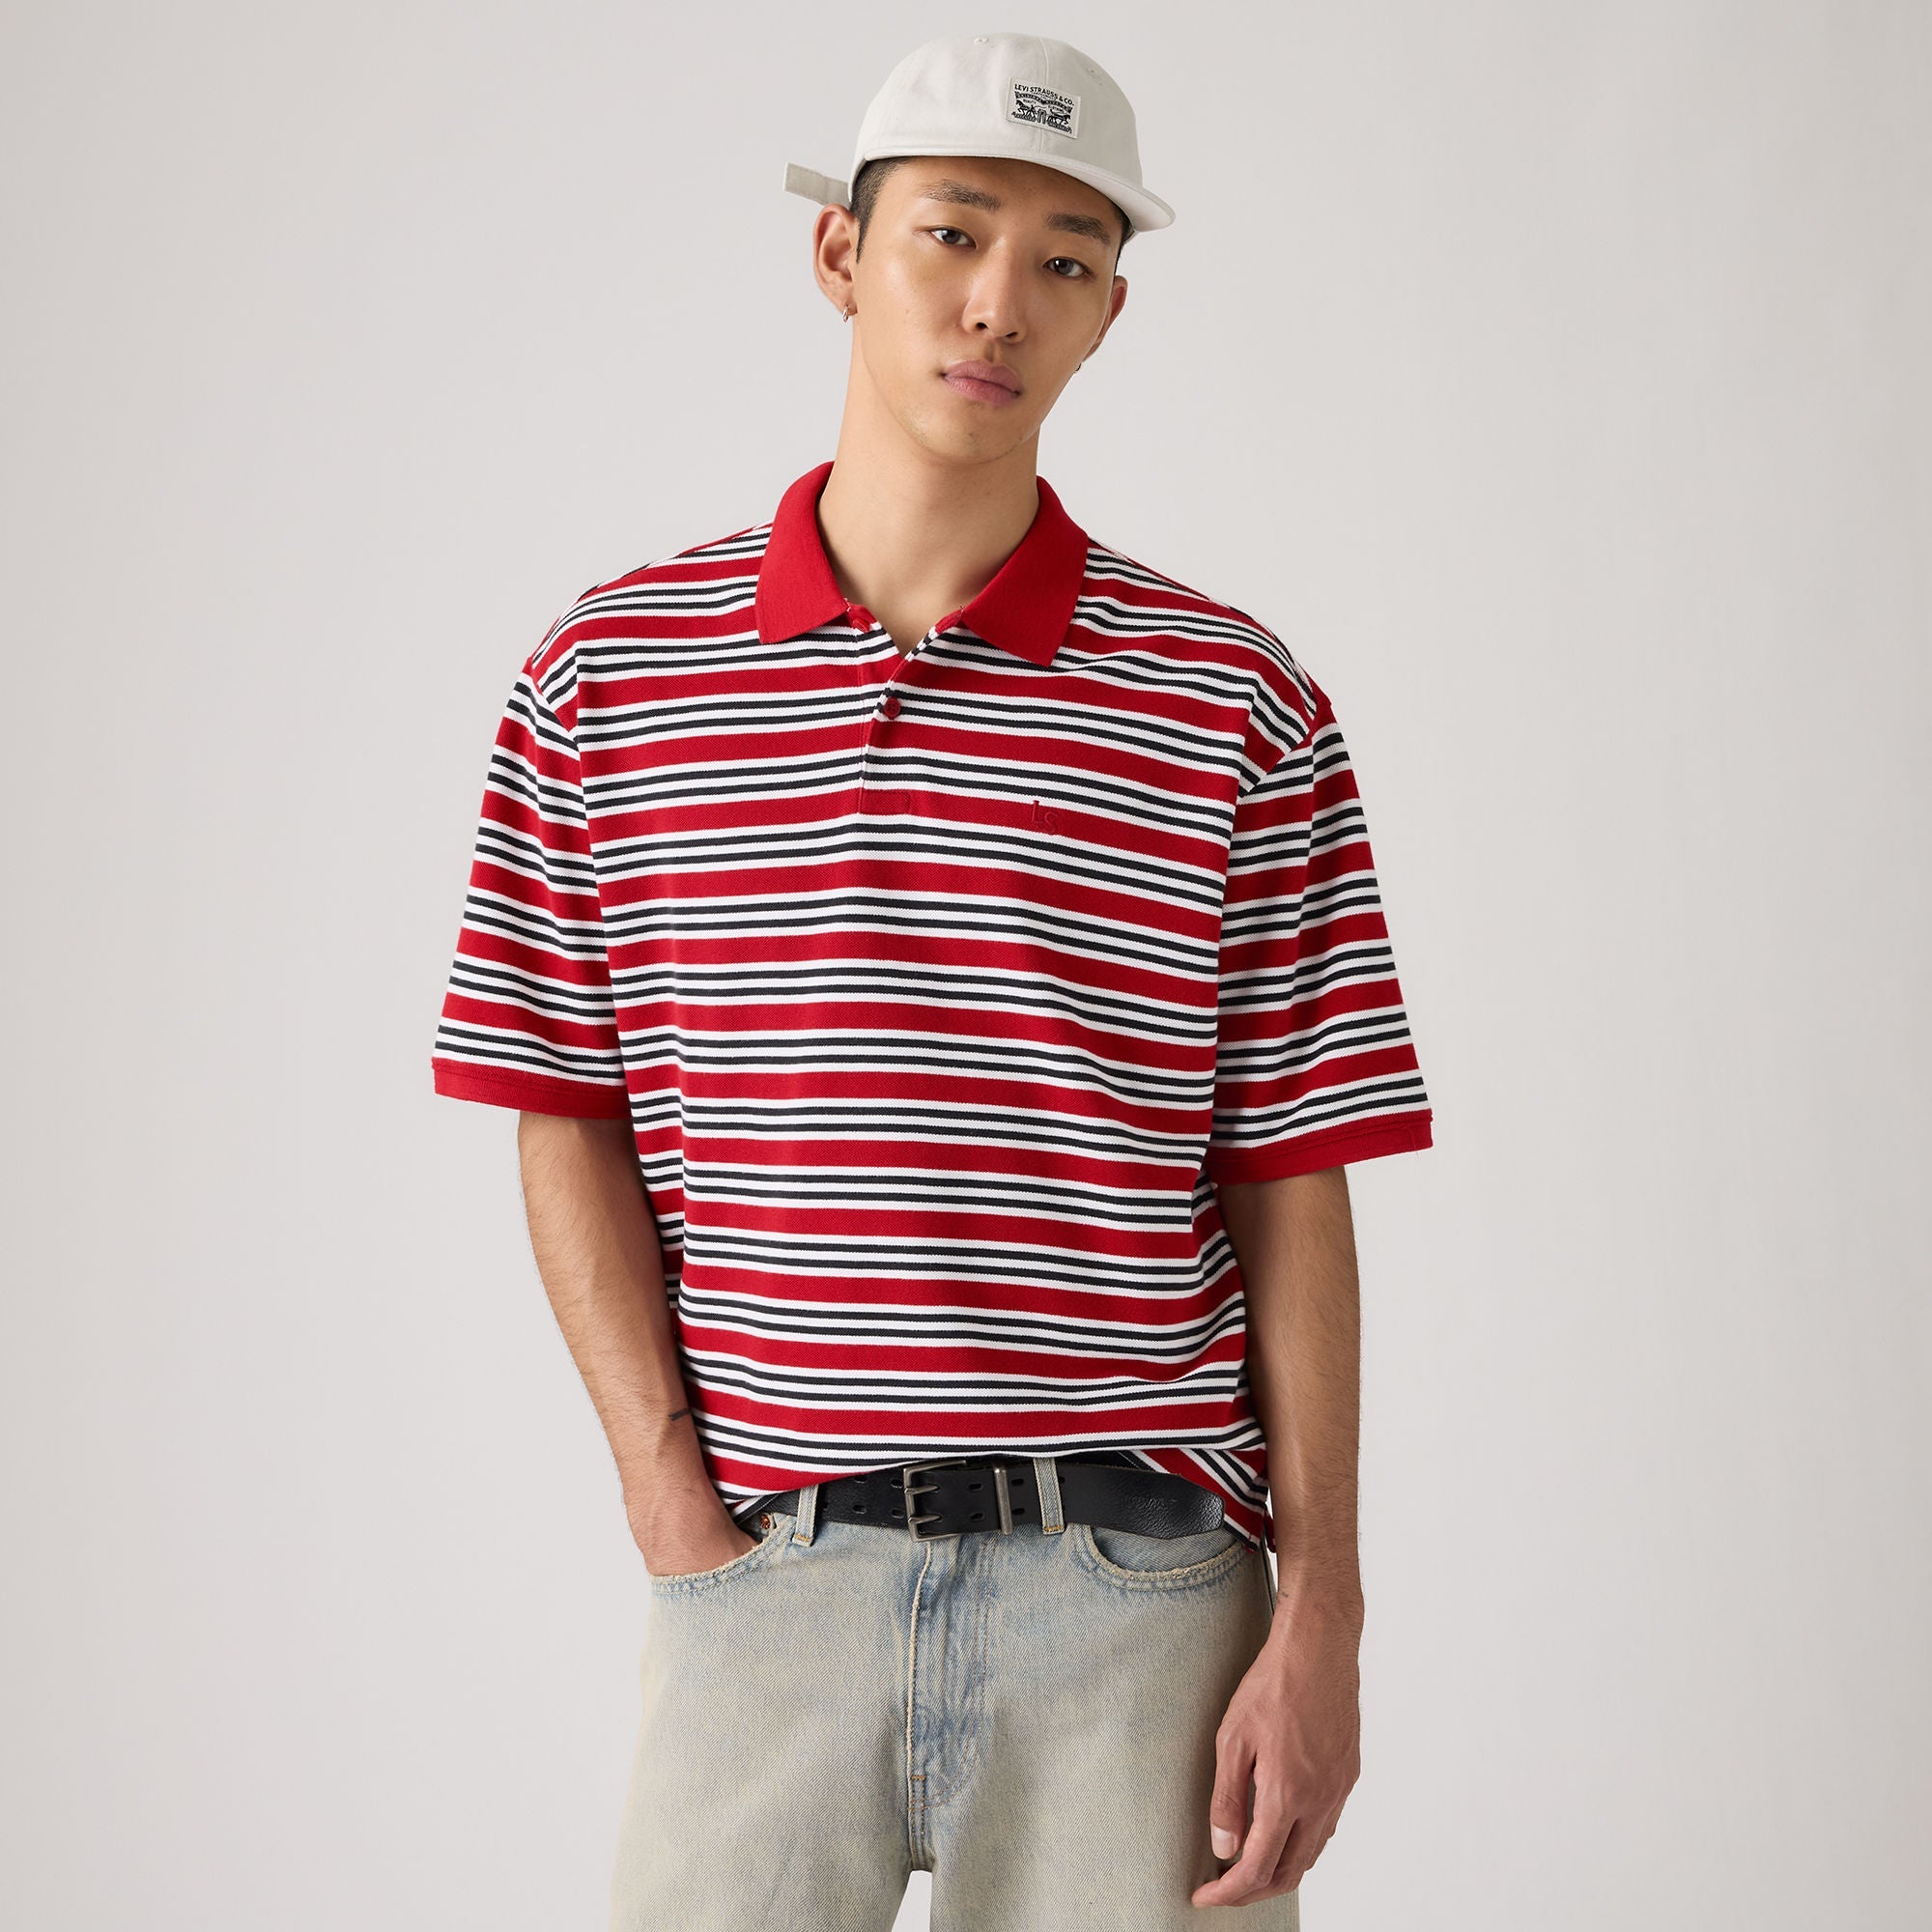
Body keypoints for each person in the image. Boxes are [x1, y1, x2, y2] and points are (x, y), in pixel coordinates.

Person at [429, 31, 1433, 1930]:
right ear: (840, 254)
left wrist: (1324, 1614)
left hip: (1137, 1598)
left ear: (1110, 311)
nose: (998, 303)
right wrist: (667, 1501)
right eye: (951, 235)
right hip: (764, 1576)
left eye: (1063, 259)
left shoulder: (1234, 705)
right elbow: (557, 1104)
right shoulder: (610, 678)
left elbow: (1292, 1171)